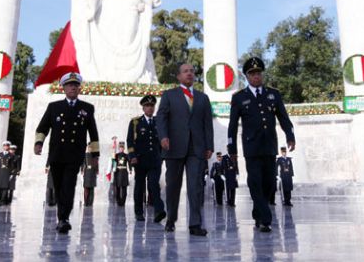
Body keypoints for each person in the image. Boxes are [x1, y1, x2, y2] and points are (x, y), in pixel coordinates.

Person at [228, 57, 296, 233]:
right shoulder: (239, 98)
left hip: (269, 146)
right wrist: (232, 149)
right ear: (247, 77)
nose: (256, 77)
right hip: (251, 148)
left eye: (258, 73)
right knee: (255, 181)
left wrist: (290, 135)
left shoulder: (273, 94)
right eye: (252, 74)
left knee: (270, 183)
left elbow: (283, 117)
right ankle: (265, 219)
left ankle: (258, 212)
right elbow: (233, 126)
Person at [34, 72, 100, 234]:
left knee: (69, 186)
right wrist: (38, 143)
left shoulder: (87, 108)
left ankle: (64, 218)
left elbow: (93, 132)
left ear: (79, 89)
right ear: (63, 88)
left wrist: (95, 156)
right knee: (58, 186)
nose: (72, 87)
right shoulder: (54, 107)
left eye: (75, 85)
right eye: (69, 85)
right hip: (57, 153)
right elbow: (43, 128)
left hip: (74, 154)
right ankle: (61, 215)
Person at [156, 63, 214, 236]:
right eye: (185, 71)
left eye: (191, 71)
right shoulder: (169, 95)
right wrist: (163, 137)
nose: (189, 74)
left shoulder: (203, 98)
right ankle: (171, 219)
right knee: (173, 185)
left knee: (195, 186)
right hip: (173, 147)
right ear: (179, 76)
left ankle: (195, 223)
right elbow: (161, 117)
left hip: (196, 149)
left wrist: (209, 145)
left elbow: (207, 124)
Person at [126, 94, 166, 223]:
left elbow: (163, 140)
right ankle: (139, 212)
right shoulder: (135, 122)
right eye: (147, 106)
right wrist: (132, 156)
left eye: (152, 106)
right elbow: (130, 141)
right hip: (140, 160)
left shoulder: (158, 122)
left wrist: (162, 156)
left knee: (154, 185)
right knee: (139, 186)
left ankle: (159, 210)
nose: (150, 108)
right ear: (143, 108)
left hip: (155, 160)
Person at [0, 141, 13, 206]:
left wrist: (11, 174)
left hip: (7, 173)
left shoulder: (11, 155)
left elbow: (12, 165)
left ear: (9, 147)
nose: (6, 147)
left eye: (7, 146)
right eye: (4, 146)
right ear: (3, 146)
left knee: (5, 188)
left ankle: (2, 201)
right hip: (0, 172)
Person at [113, 142, 131, 206]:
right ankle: (118, 202)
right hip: (117, 173)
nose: (121, 149)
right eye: (120, 148)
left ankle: (123, 202)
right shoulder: (116, 155)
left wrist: (130, 169)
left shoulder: (126, 155)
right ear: (119, 148)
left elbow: (129, 163)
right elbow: (113, 161)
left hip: (124, 173)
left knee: (124, 189)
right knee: (117, 188)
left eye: (122, 147)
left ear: (124, 148)